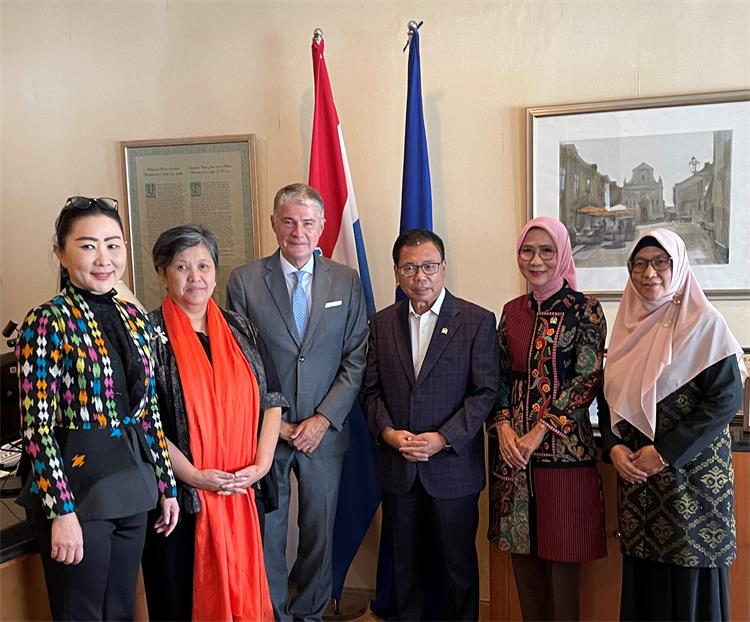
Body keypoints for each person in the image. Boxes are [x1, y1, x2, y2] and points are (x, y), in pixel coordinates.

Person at [15, 196, 179, 621]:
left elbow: (148, 410)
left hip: (132, 482)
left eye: (113, 244)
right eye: (88, 246)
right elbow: (37, 426)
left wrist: (166, 485)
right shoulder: (48, 321)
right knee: (81, 613)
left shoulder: (134, 318)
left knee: (121, 610)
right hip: (77, 489)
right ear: (60, 252)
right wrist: (61, 511)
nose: (104, 258)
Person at [226, 183, 368, 622]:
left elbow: (356, 357)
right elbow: (239, 362)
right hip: (267, 434)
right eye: (288, 221)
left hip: (324, 434)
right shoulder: (245, 280)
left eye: (307, 222)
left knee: (318, 532)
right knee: (268, 530)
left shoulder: (346, 280)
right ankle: (273, 613)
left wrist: (323, 419)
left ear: (322, 226)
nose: (298, 232)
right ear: (274, 223)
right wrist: (278, 425)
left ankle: (310, 613)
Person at [140, 225, 286, 621]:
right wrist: (195, 476)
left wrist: (261, 465)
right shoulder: (146, 338)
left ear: (216, 273)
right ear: (162, 273)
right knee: (181, 601)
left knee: (245, 592)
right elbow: (145, 422)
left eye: (203, 266)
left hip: (243, 489)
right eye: (182, 267)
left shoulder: (241, 329)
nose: (195, 277)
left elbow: (272, 401)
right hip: (181, 500)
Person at [599, 228, 746, 622]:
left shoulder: (706, 325)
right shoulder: (626, 327)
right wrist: (614, 446)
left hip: (692, 485)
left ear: (678, 265)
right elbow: (609, 397)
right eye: (639, 264)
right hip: (639, 485)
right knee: (645, 585)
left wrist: (664, 453)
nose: (649, 273)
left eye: (660, 262)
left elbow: (725, 400)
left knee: (690, 582)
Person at [360, 228, 499, 621]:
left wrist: (443, 438)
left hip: (452, 470)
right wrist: (388, 433)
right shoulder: (381, 324)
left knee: (457, 569)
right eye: (410, 268)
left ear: (443, 268)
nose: (420, 276)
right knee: (405, 569)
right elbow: (370, 391)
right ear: (396, 272)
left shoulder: (476, 320)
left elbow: (485, 392)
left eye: (429, 266)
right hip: (399, 469)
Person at [487, 216, 607, 621]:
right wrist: (504, 427)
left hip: (566, 457)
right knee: (524, 565)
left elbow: (587, 379)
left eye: (546, 251)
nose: (535, 260)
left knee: (563, 567)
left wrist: (539, 431)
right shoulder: (512, 311)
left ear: (562, 254)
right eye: (527, 250)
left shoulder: (586, 310)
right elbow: (498, 375)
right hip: (514, 459)